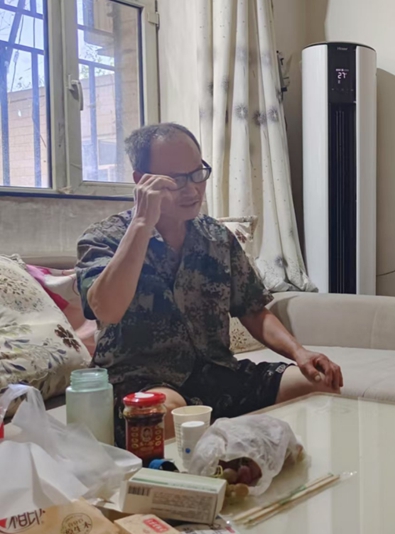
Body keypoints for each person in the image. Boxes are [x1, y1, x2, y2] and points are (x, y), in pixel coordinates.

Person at [76, 123, 343, 447]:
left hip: (217, 375)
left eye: (197, 174)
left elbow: (253, 311)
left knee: (318, 382)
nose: (191, 190)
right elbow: (106, 309)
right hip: (142, 385)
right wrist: (142, 223)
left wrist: (300, 353)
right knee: (169, 414)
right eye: (175, 180)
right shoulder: (104, 238)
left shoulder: (217, 237)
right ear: (141, 180)